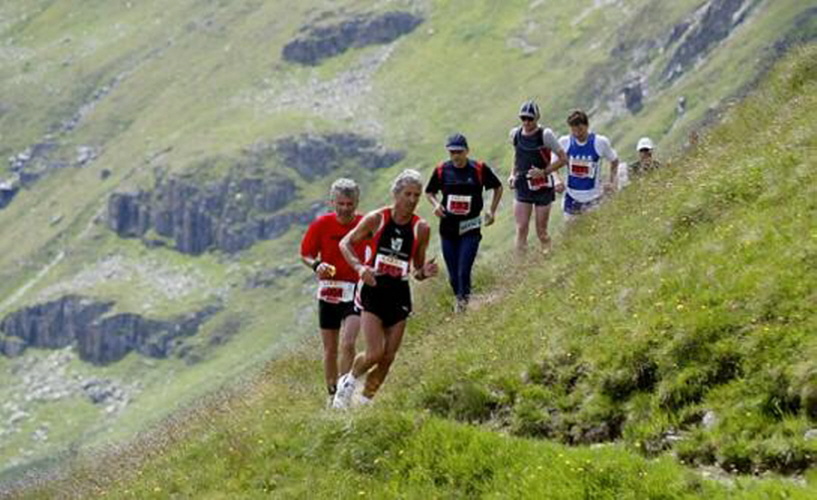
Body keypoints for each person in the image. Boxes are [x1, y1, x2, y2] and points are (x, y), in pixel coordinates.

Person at [333, 169, 439, 408]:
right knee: (374, 353)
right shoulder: (377, 219)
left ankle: (364, 402)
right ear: (396, 194)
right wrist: (360, 268)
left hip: (399, 293)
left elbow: (416, 270)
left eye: (416, 195)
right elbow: (345, 243)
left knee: (388, 357)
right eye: (407, 194)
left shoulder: (421, 228)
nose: (412, 200)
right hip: (373, 289)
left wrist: (425, 272)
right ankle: (347, 384)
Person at [300, 178, 367, 406]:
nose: (345, 209)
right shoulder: (321, 225)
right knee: (330, 349)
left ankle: (343, 393)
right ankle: (331, 394)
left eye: (350, 204)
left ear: (357, 203)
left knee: (348, 343)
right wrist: (317, 265)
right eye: (341, 204)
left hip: (355, 290)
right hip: (329, 292)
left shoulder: (365, 224)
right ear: (332, 202)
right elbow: (305, 253)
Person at [425, 133, 503, 312]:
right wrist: (436, 205)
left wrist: (492, 210)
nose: (456, 156)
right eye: (452, 152)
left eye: (459, 152)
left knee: (463, 270)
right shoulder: (441, 170)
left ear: (467, 151)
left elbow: (498, 187)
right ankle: (461, 299)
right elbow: (429, 191)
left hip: (471, 228)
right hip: (448, 230)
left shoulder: (479, 169)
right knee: (453, 276)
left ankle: (462, 305)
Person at [508, 100, 568, 253]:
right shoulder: (515, 134)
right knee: (521, 228)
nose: (526, 122)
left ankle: (548, 256)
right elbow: (517, 156)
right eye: (523, 118)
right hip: (523, 185)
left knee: (541, 231)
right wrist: (512, 175)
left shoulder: (545, 135)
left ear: (537, 118)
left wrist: (545, 172)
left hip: (543, 186)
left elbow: (563, 159)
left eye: (530, 119)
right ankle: (520, 264)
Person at [558, 109, 619, 219]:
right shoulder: (564, 142)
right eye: (573, 130)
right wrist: (557, 181)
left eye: (580, 129)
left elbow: (614, 160)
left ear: (587, 126)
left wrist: (612, 181)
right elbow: (552, 165)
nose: (577, 134)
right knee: (572, 230)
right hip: (571, 199)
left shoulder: (600, 142)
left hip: (594, 198)